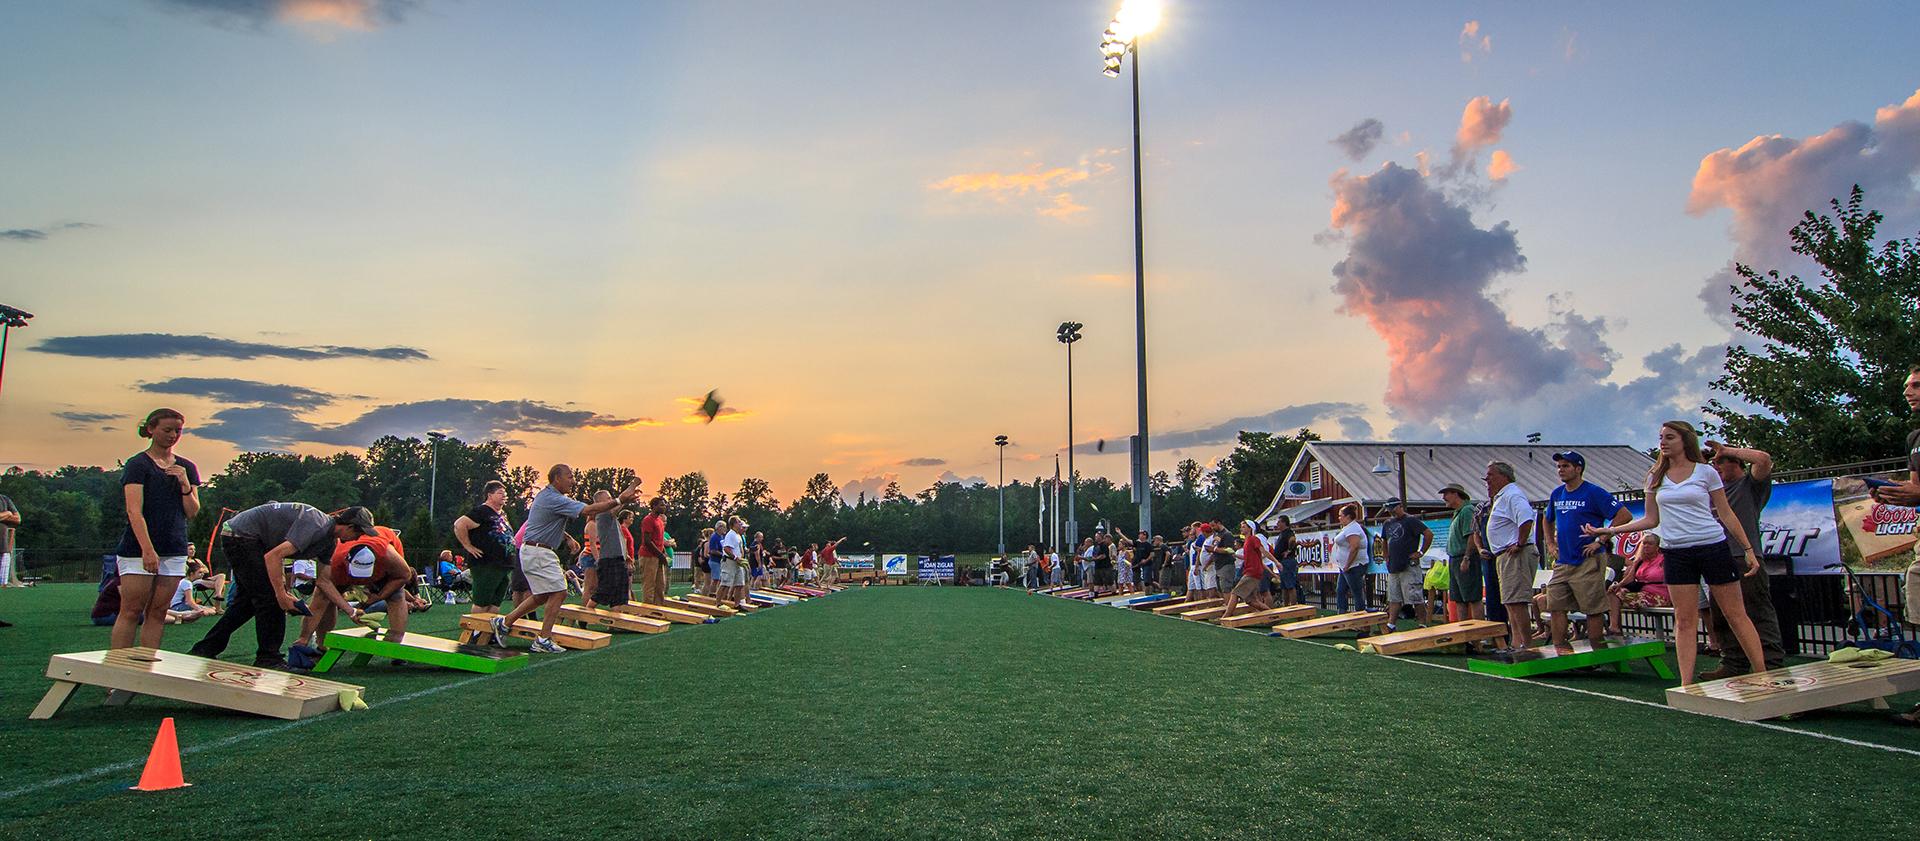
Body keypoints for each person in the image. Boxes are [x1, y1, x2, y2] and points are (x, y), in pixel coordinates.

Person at [1584, 421, 1768, 684]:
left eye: (1670, 437)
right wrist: (1610, 531)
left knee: (1735, 614)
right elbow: (1650, 519)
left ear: (1685, 440)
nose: (1663, 442)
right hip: (1676, 552)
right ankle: (1686, 683)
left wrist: (1748, 549)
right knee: (1684, 619)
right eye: (1661, 437)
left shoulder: (1705, 472)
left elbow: (1726, 513)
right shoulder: (1654, 476)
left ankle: (1762, 674)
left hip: (1712, 547)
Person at [190, 503, 376, 668]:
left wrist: (351, 611)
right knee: (270, 599)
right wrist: (282, 595)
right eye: (358, 533)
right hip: (241, 535)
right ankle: (269, 658)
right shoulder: (316, 525)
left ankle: (205, 648)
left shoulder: (329, 542)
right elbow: (273, 556)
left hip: (252, 539)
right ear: (349, 526)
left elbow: (323, 582)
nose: (357, 538)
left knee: (246, 604)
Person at [492, 466, 641, 654]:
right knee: (560, 592)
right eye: (569, 477)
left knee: (541, 595)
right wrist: (620, 499)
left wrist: (567, 538)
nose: (573, 480)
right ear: (556, 478)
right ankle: (543, 639)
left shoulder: (549, 497)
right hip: (539, 551)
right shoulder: (554, 498)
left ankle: (504, 623)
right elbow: (589, 509)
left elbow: (546, 523)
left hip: (536, 550)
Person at [109, 409, 203, 651]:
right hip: (137, 548)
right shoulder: (138, 464)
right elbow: (134, 511)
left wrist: (185, 484)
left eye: (178, 431)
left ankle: (146, 666)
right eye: (168, 430)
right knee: (131, 610)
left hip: (174, 547)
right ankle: (118, 673)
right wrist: (147, 550)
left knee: (159, 611)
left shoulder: (187, 467)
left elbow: (192, 511)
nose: (173, 435)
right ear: (151, 429)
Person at [1699, 440, 1786, 678]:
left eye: (1720, 463)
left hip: (1744, 557)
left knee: (1757, 611)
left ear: (1736, 463)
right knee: (1722, 615)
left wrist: (1728, 450)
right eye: (1712, 464)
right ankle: (1733, 664)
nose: (1715, 468)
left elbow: (1763, 459)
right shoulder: (1711, 492)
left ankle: (1771, 665)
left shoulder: (1749, 485)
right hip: (1716, 558)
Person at [1542, 451, 1631, 650]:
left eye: (1566, 466)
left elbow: (1624, 515)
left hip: (1588, 559)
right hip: (1563, 561)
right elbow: (1546, 520)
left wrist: (1600, 540)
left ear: (1578, 468)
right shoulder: (1557, 493)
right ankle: (1560, 649)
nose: (1561, 470)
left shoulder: (1593, 492)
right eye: (1559, 466)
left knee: (1592, 608)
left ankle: (1596, 651)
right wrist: (1550, 544)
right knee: (1555, 605)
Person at [1873, 365, 1920, 726]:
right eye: (1907, 386)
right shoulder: (1914, 437)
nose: (1909, 392)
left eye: (1916, 385)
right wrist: (1893, 495)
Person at [297, 527, 415, 651]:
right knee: (324, 598)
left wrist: (379, 596)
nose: (361, 580)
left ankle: (394, 646)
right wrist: (350, 611)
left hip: (382, 564)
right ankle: (320, 645)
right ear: (347, 562)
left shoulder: (388, 555)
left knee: (396, 595)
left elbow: (405, 576)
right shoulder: (335, 560)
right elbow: (321, 588)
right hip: (343, 571)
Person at [1485, 461, 1537, 652]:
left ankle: (1526, 644)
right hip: (1503, 555)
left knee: (1516, 601)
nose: (1486, 480)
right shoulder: (1502, 496)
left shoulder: (1513, 494)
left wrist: (1520, 543)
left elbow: (1526, 518)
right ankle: (1516, 643)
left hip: (1515, 554)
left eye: (1490, 475)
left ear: (1503, 476)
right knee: (1509, 601)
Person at [455, 480, 515, 615]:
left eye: (505, 493)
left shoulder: (502, 514)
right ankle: (476, 632)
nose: (504, 496)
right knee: (482, 601)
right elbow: (459, 524)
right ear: (490, 495)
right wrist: (468, 546)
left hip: (503, 565)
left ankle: (487, 633)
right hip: (487, 563)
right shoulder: (482, 511)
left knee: (495, 601)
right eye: (500, 493)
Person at [1379, 498, 1432, 632]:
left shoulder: (1411, 520)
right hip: (1394, 564)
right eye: (1390, 510)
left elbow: (1428, 534)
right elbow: (1384, 539)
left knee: (1415, 596)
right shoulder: (1388, 523)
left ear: (1400, 506)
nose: (1392, 513)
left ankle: (1422, 624)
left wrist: (1420, 552)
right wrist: (1386, 556)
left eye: (1394, 509)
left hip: (1409, 564)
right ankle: (1391, 624)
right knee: (1394, 597)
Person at [1440, 484, 1485, 630]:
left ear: (1455, 494)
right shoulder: (1458, 512)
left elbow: (1472, 536)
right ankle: (1464, 632)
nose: (1443, 498)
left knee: (1472, 597)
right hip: (1454, 559)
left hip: (1465, 558)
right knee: (1458, 598)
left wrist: (1467, 558)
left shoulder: (1467, 510)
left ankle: (1480, 632)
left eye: (1446, 494)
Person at [590, 490, 634, 609]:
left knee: (619, 595)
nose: (611, 500)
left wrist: (626, 556)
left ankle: (615, 622)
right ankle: (586, 613)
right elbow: (617, 505)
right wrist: (633, 486)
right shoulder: (603, 514)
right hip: (609, 560)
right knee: (604, 592)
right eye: (608, 499)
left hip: (617, 558)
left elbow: (619, 540)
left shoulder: (612, 517)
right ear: (600, 503)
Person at [1221, 521, 1273, 618]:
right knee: (1251, 600)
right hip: (1250, 571)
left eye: (1244, 527)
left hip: (1252, 572)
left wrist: (1276, 562)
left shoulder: (1253, 539)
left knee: (1235, 593)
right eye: (1241, 526)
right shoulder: (1247, 541)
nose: (1241, 528)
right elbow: (1256, 559)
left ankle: (1226, 616)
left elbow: (1264, 552)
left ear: (1250, 529)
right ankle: (1273, 615)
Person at [1612, 532, 1672, 611]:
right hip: (1642, 592)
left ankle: (1615, 622)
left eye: (1650, 544)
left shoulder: (1664, 560)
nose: (1646, 546)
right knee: (1613, 593)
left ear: (1657, 546)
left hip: (1660, 595)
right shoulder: (1640, 561)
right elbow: (1630, 578)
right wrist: (1618, 585)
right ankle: (1615, 623)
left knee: (1617, 598)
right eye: (1644, 543)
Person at [1330, 505, 1370, 613]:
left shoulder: (1353, 528)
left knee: (1356, 592)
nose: (1339, 518)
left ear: (1348, 517)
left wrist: (1348, 564)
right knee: (1340, 590)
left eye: (1340, 516)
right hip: (1345, 567)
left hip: (1354, 566)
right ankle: (1342, 613)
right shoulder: (1347, 528)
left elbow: (1354, 547)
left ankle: (1361, 618)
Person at [637, 497, 670, 606]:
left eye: (664, 505)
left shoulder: (659, 520)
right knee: (649, 584)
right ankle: (648, 609)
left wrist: (663, 552)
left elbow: (659, 539)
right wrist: (660, 555)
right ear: (654, 506)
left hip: (658, 555)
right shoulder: (648, 519)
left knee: (660, 584)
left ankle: (658, 607)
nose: (664, 507)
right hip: (648, 556)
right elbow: (647, 541)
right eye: (661, 505)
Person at [719, 517, 750, 608]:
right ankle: (718, 603)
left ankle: (737, 605)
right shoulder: (730, 534)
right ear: (734, 524)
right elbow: (726, 548)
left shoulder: (738, 535)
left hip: (738, 562)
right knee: (725, 584)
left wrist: (741, 558)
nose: (740, 524)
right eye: (739, 522)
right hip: (730, 561)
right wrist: (736, 557)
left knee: (739, 584)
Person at [1271, 518, 1300, 606]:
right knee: (1284, 586)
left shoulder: (1288, 532)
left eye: (1279, 522)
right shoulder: (1282, 534)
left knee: (1290, 586)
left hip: (1287, 561)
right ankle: (1286, 606)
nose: (1277, 524)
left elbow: (1292, 540)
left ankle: (1294, 607)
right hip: (1282, 562)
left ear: (1284, 523)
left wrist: (1289, 550)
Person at [0, 490, 20, 592]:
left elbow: (17, 519)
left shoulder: (5, 499)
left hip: (3, 544)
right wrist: (7, 513)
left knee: (3, 583)